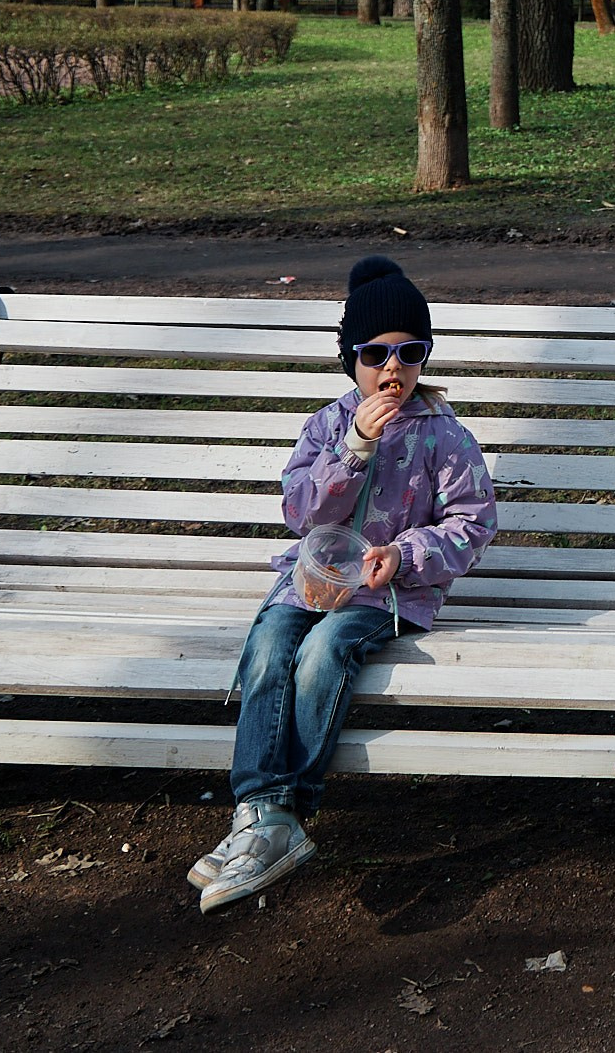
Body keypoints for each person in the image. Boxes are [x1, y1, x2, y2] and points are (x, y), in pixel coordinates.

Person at [188, 255, 498, 912]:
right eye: (377, 354)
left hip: (388, 592)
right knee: (271, 643)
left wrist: (406, 553)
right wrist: (353, 448)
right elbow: (301, 512)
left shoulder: (445, 435)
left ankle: (283, 813)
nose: (394, 369)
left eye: (411, 353)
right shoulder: (329, 426)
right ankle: (259, 812)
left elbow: (472, 521)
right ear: (350, 360)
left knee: (324, 651)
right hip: (313, 581)